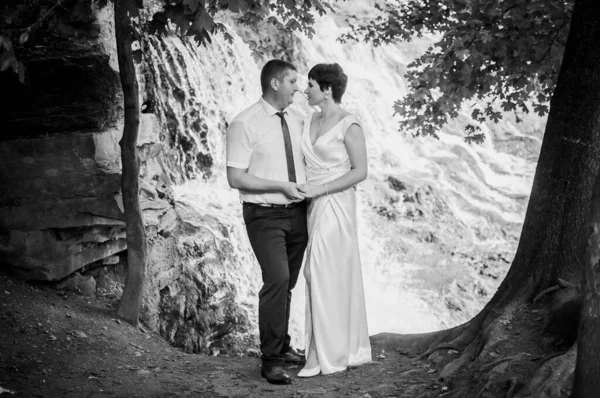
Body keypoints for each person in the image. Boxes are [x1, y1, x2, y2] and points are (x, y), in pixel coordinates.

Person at [226, 59, 308, 385]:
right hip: (263, 215)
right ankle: (271, 361)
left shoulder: (300, 120)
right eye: (292, 82)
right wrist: (280, 186)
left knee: (286, 283)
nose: (297, 88)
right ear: (275, 84)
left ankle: (283, 346)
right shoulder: (244, 123)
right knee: (276, 279)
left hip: (299, 213)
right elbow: (235, 178)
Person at [297, 63, 372, 377]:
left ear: (326, 89)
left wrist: (321, 188)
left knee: (318, 271)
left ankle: (319, 353)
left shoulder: (349, 124)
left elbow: (360, 171)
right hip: (311, 206)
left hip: (336, 204)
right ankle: (325, 345)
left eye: (311, 85)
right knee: (321, 274)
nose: (305, 90)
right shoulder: (308, 118)